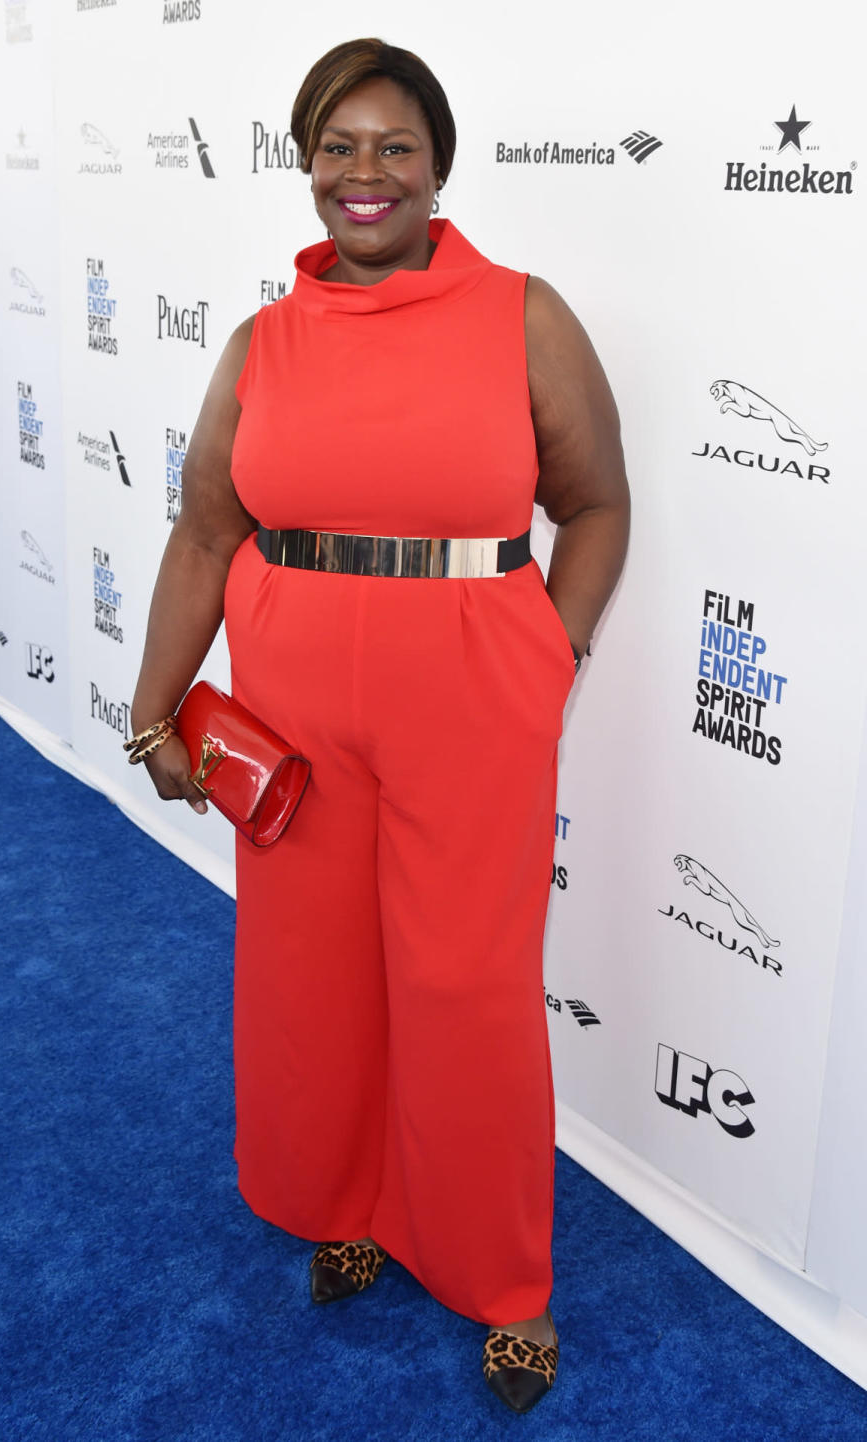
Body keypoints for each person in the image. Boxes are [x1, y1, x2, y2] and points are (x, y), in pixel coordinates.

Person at [129, 37, 629, 1415]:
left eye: (393, 147)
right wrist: (151, 700)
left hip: (472, 704)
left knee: (467, 988)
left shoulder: (521, 316)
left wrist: (547, 649)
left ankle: (503, 1277)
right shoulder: (262, 343)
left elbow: (597, 503)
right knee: (317, 974)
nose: (365, 173)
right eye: (337, 147)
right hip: (292, 706)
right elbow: (203, 533)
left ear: (437, 167)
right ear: (305, 168)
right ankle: (349, 1199)